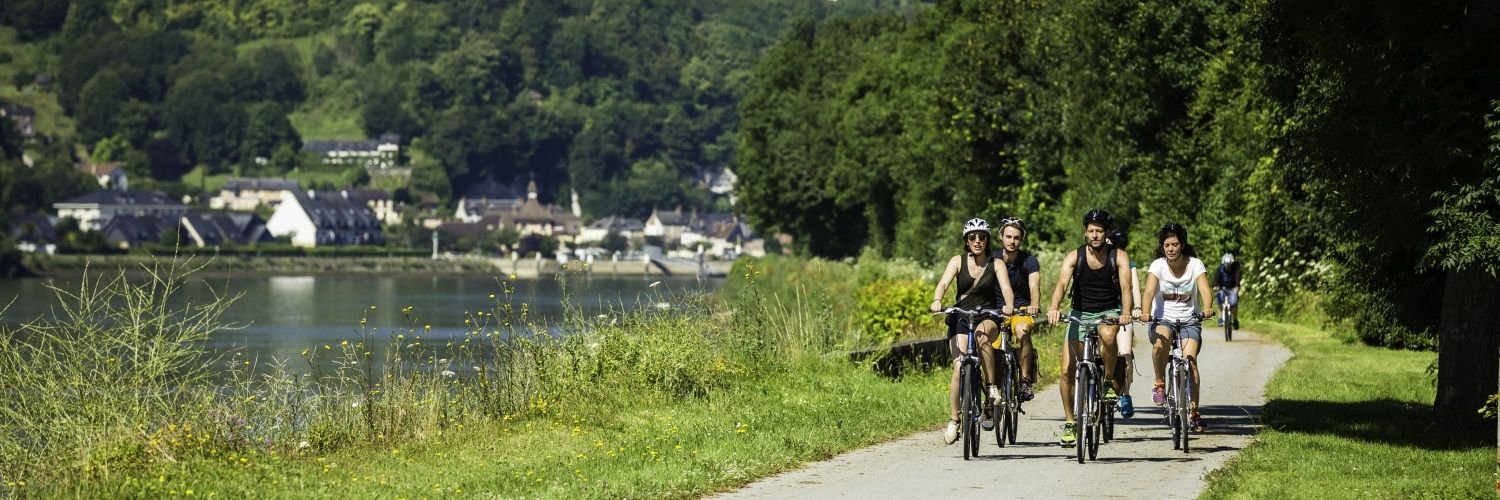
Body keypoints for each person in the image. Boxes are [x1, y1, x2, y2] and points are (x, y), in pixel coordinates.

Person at [1046, 209, 1133, 447]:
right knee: (1067, 370)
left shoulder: (1119, 256)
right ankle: (1070, 422)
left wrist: (1126, 312)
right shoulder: (1075, 256)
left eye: (1100, 231)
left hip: (1108, 311)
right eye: (1091, 231)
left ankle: (1107, 381)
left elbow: (1126, 288)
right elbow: (1062, 283)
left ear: (1107, 233)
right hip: (1080, 313)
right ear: (1085, 232)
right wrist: (1054, 307)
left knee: (1108, 334)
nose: (1095, 235)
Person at [931, 218, 1016, 445]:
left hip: (987, 315)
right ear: (966, 241)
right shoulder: (957, 261)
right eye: (972, 237)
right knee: (959, 367)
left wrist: (1008, 304)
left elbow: (1006, 288)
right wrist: (938, 299)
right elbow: (943, 283)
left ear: (987, 240)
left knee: (982, 336)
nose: (977, 241)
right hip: (961, 315)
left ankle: (991, 387)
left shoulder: (996, 263)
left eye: (982, 237)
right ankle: (954, 420)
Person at [1137, 223, 1216, 433]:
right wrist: (1145, 312)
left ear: (1182, 245)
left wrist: (1207, 308)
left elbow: (1205, 290)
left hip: (1189, 320)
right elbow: (1148, 292)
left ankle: (1194, 412)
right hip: (1163, 320)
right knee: (1159, 346)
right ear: (1162, 247)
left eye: (1175, 244)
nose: (1171, 249)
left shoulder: (1195, 264)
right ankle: (1159, 383)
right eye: (1167, 245)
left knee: (1191, 361)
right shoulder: (1158, 266)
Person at [993, 216, 1041, 402]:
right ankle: (991, 395)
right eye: (1008, 237)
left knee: (1022, 332)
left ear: (1022, 239)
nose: (1012, 241)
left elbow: (1034, 285)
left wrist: (1034, 304)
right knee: (991, 348)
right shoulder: (992, 259)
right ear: (1001, 237)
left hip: (1021, 309)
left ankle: (1025, 381)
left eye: (1016, 238)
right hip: (996, 310)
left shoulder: (1029, 261)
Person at [1107, 229, 1141, 419]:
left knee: (1125, 354)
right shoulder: (1097, 261)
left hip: (1122, 314)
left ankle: (1125, 395)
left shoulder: (1129, 265)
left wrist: (1137, 307)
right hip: (1101, 313)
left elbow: (1134, 288)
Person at [1214, 253, 1241, 329]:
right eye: (1226, 265)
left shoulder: (1235, 270)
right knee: (1219, 299)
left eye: (1229, 265)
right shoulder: (1219, 269)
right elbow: (1215, 280)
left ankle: (1235, 320)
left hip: (1232, 289)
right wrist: (1215, 287)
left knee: (1234, 302)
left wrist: (1237, 287)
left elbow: (1237, 280)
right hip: (1222, 288)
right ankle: (1220, 319)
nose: (1228, 267)